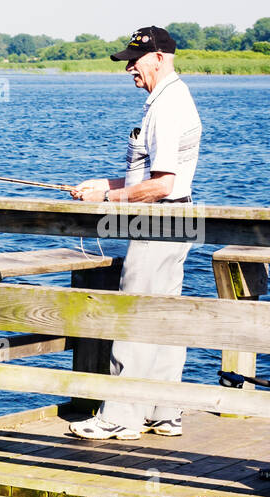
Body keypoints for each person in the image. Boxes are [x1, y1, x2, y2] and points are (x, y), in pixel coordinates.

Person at [67, 26, 202, 440]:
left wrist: (112, 202)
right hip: (177, 218)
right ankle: (163, 411)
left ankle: (121, 416)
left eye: (135, 59)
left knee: (135, 316)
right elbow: (152, 176)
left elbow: (161, 184)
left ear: (159, 57)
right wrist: (106, 187)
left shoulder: (166, 106)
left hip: (156, 222)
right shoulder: (171, 99)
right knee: (164, 316)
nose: (128, 67)